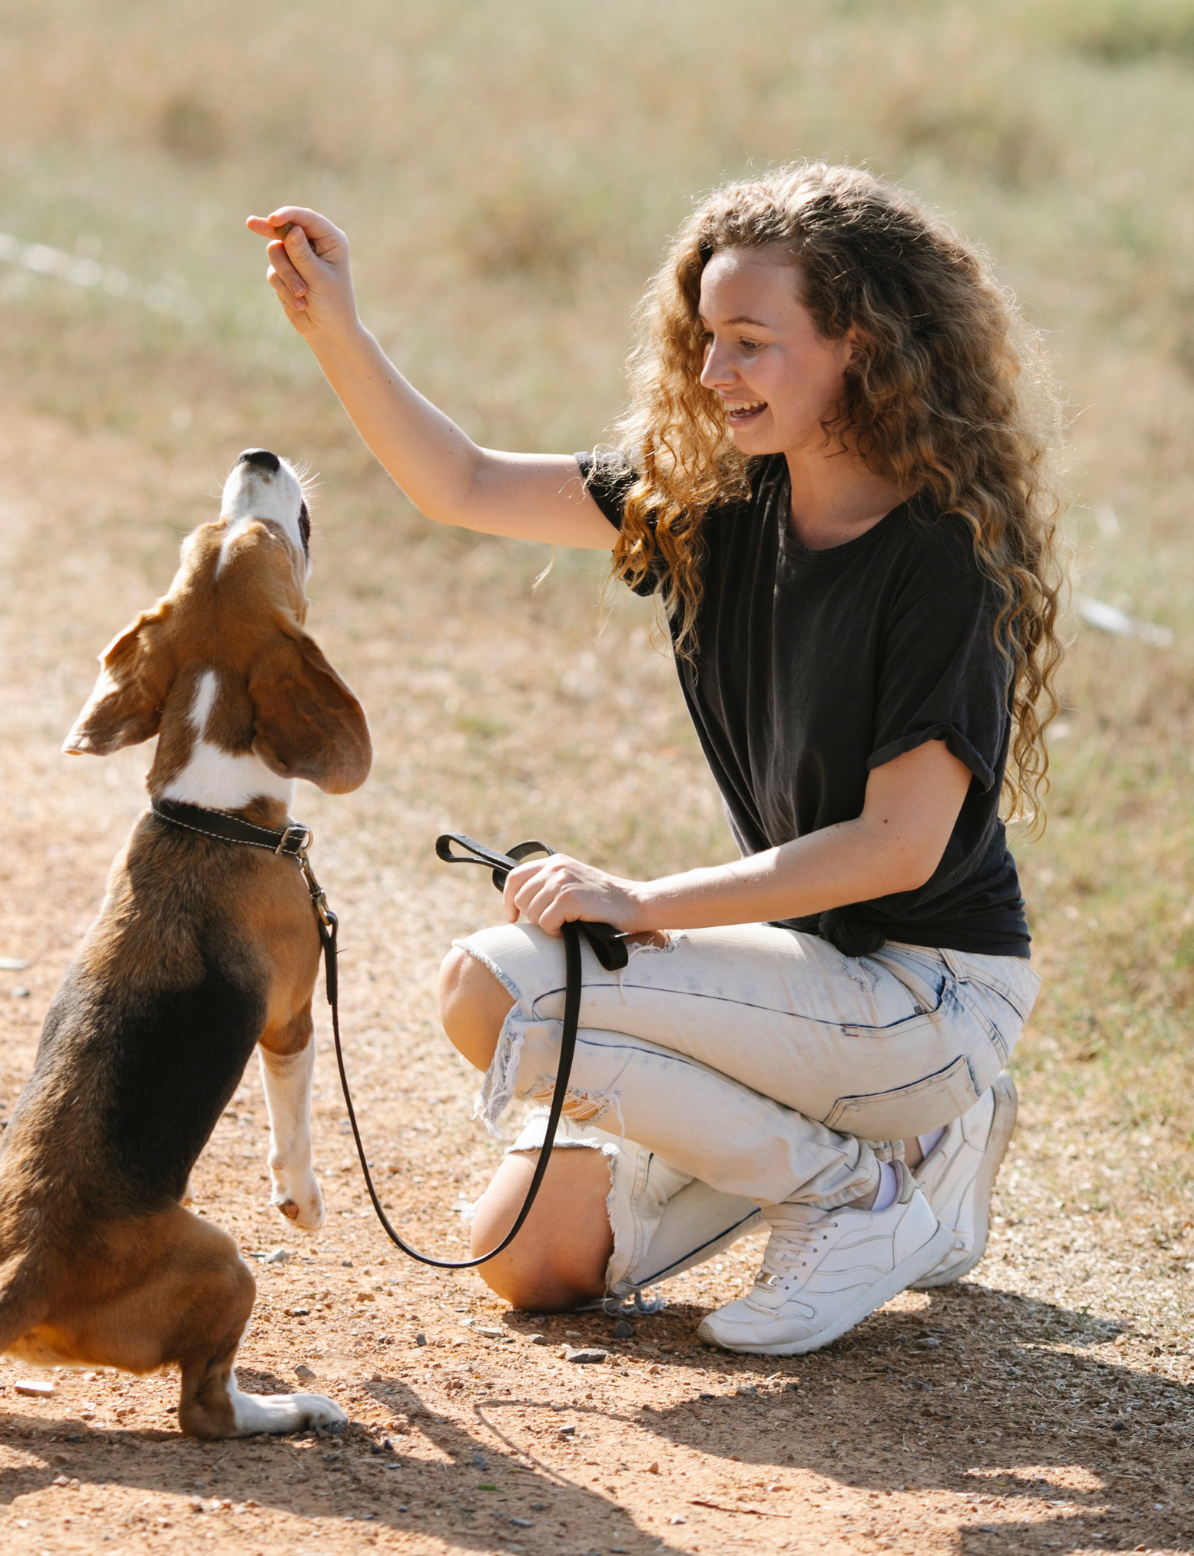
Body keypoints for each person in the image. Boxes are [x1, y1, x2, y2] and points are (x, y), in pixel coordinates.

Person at [246, 163, 1062, 1357]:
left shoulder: (937, 559)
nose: (712, 371)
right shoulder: (716, 506)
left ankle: (857, 1193)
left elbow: (897, 845)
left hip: (926, 997)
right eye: (703, 338)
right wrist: (337, 326)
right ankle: (910, 1166)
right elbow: (462, 482)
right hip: (811, 983)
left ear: (858, 343)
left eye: (749, 341)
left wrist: (640, 904)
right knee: (526, 1258)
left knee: (496, 985)